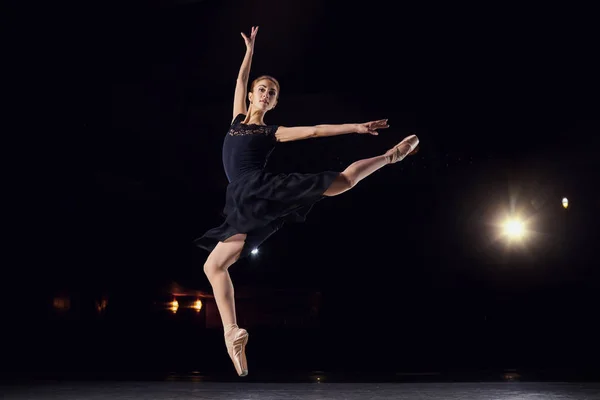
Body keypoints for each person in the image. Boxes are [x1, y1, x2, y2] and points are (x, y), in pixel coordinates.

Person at [194, 26, 419, 377]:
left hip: (261, 189)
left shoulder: (271, 132)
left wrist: (355, 127)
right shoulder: (237, 119)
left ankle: (389, 157)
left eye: (272, 93)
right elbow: (240, 79)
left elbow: (314, 130)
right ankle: (231, 332)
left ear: (275, 103)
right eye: (262, 90)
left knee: (340, 182)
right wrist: (250, 50)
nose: (266, 94)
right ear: (252, 96)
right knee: (213, 266)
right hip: (240, 201)